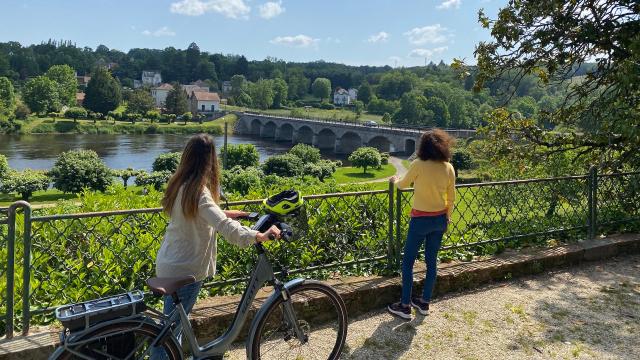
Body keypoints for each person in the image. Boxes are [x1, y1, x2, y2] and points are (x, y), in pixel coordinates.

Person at [152, 134, 280, 358]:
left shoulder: (180, 185)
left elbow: (200, 216)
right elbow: (223, 225)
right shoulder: (199, 192)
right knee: (168, 337)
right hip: (186, 269)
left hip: (170, 263)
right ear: (209, 160)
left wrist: (234, 214)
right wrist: (259, 235)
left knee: (173, 330)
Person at [387, 129, 456, 320]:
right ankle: (424, 302)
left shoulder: (419, 164)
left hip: (420, 220)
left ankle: (405, 305)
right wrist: (447, 216)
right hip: (440, 219)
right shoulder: (448, 167)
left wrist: (394, 181)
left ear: (423, 146)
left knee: (408, 262)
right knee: (431, 262)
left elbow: (403, 185)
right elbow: (452, 198)